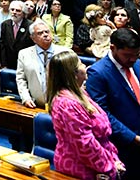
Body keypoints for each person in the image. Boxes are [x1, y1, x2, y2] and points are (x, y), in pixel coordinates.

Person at [48, 50, 125, 179]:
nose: (85, 66)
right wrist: (109, 166)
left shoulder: (79, 93)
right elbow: (85, 144)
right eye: (81, 64)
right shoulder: (67, 103)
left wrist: (112, 158)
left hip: (98, 161)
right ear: (74, 73)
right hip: (81, 168)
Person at [85, 28, 140, 176]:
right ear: (113, 48)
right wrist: (133, 138)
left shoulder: (138, 64)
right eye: (128, 55)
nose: (133, 59)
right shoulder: (98, 73)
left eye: (136, 54)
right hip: (123, 145)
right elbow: (102, 114)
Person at [17, 20, 70, 108]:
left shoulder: (66, 52)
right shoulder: (24, 54)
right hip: (35, 105)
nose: (45, 34)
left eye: (47, 31)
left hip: (63, 106)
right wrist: (26, 98)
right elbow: (21, 79)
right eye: (40, 33)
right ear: (33, 38)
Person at [0, 0, 33, 70]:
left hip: (25, 64)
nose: (14, 12)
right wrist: (3, 64)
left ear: (24, 13)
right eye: (12, 10)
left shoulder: (31, 25)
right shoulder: (5, 24)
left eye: (18, 10)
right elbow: (2, 45)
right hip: (9, 64)